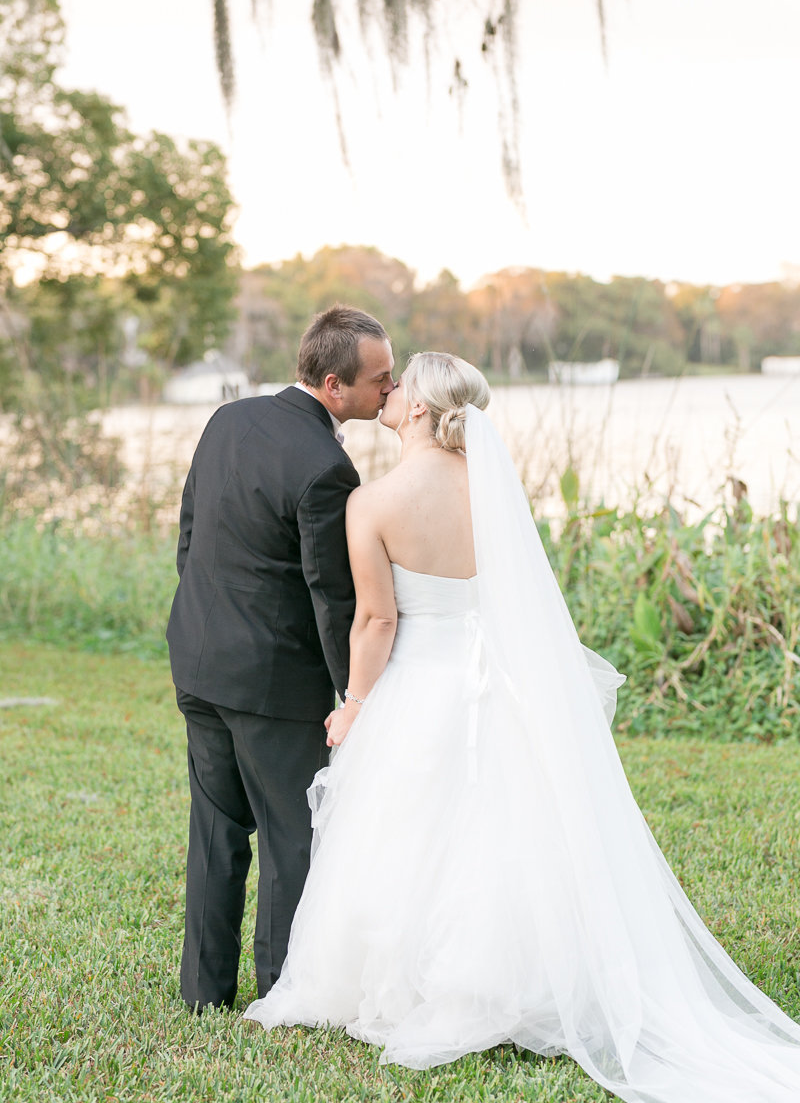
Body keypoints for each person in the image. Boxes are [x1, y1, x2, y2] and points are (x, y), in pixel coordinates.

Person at [245, 351, 800, 1103]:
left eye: (401, 381)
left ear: (415, 409)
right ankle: (515, 981)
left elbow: (376, 619)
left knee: (409, 833)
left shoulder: (372, 504)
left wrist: (355, 705)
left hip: (422, 683)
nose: (393, 388)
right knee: (509, 832)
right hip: (503, 686)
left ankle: (416, 989)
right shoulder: (496, 492)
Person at [166, 306, 395, 1014]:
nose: (390, 391)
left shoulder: (227, 421)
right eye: (380, 380)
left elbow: (190, 536)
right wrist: (350, 694)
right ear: (334, 384)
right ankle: (283, 989)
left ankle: (203, 995)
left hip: (199, 659)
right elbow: (332, 597)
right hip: (272, 681)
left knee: (215, 829)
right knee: (294, 837)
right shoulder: (328, 467)